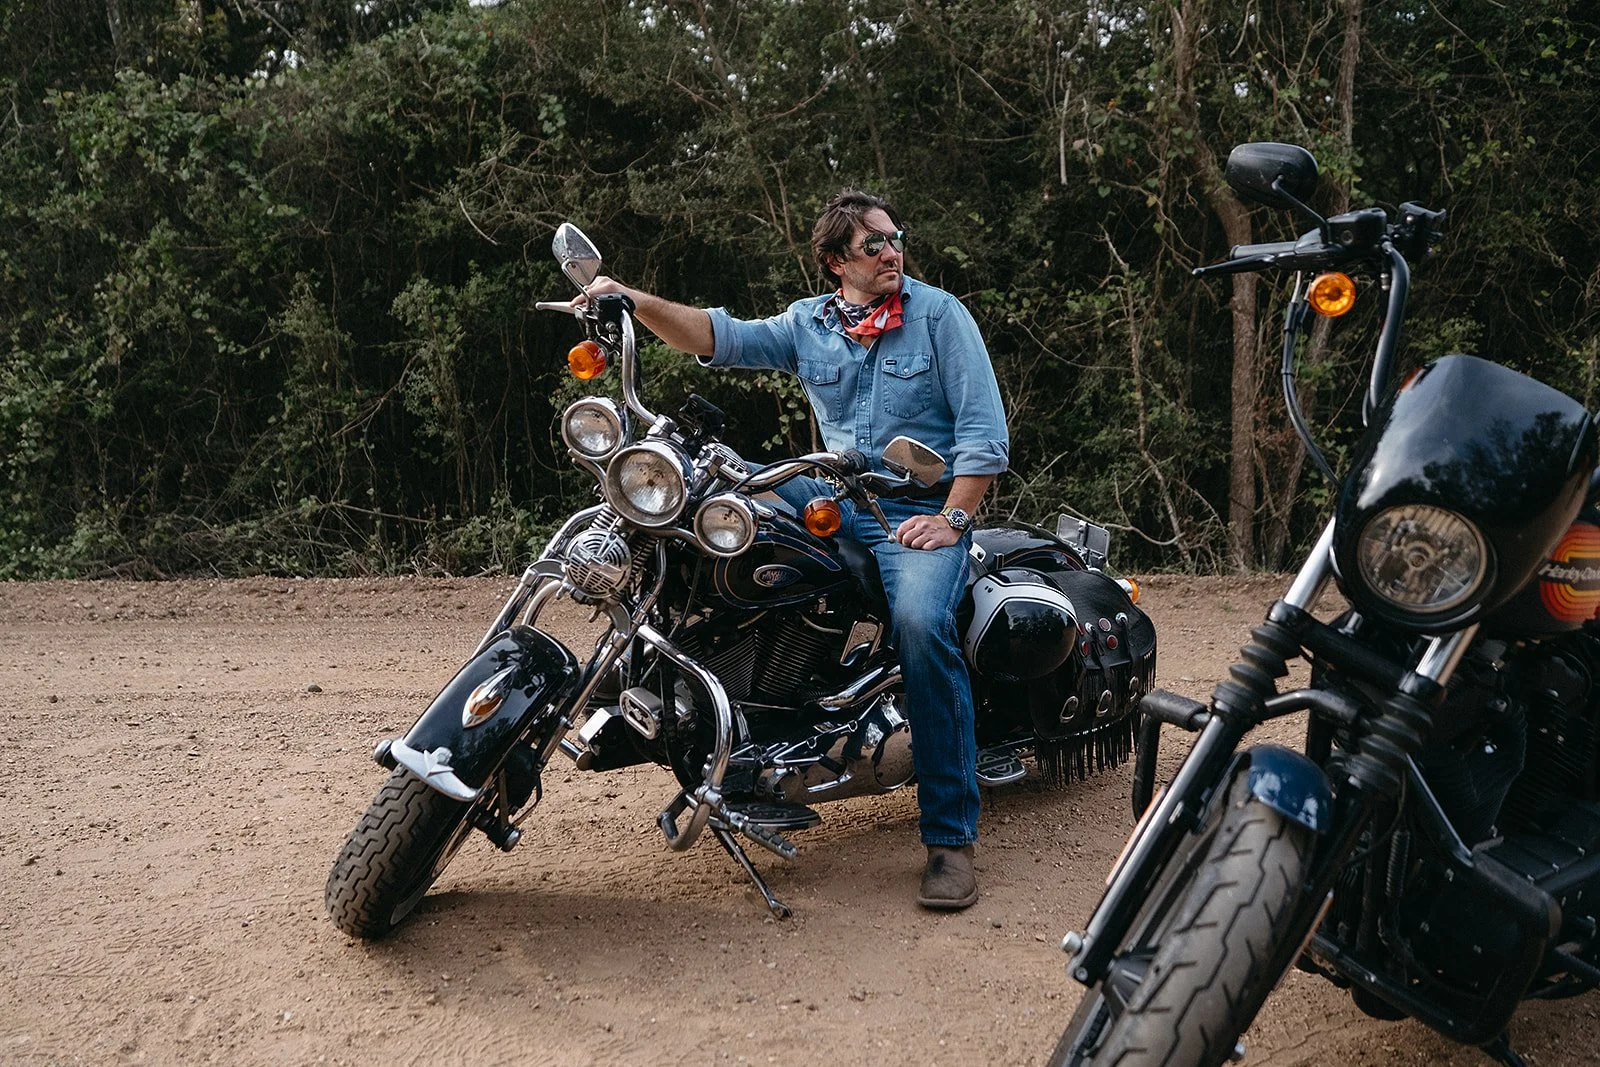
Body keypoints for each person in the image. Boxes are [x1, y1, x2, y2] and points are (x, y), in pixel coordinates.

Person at [580, 190, 1009, 910]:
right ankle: (709, 700)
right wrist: (630, 299)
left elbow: (984, 435)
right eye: (874, 243)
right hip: (831, 495)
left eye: (896, 237)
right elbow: (717, 336)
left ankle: (949, 838)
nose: (892, 251)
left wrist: (954, 518)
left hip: (913, 511)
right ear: (837, 260)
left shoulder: (940, 317)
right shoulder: (810, 323)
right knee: (707, 507)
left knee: (918, 625)